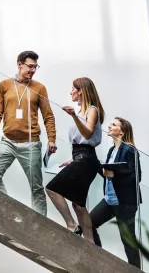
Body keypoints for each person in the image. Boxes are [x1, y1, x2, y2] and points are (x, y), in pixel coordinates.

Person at [0, 51, 57, 216]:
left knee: (36, 187)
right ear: (19, 64)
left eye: (35, 67)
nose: (33, 70)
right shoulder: (4, 85)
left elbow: (48, 116)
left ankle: (40, 226)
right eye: (30, 66)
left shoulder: (39, 88)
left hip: (30, 144)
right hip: (8, 141)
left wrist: (52, 139)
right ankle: (10, 210)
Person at [46, 77, 104, 243]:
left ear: (81, 91)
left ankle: (72, 225)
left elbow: (87, 134)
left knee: (51, 189)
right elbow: (82, 144)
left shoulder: (92, 110)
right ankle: (90, 243)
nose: (70, 92)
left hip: (86, 159)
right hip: (81, 157)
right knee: (78, 204)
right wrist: (71, 159)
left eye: (73, 89)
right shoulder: (81, 112)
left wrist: (73, 117)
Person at [90, 117, 142, 268]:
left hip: (125, 203)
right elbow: (108, 173)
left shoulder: (130, 149)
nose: (110, 126)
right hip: (109, 200)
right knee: (88, 224)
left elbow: (136, 176)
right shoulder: (112, 150)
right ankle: (98, 258)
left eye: (114, 124)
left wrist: (115, 175)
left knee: (129, 243)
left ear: (122, 131)